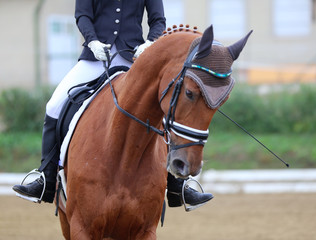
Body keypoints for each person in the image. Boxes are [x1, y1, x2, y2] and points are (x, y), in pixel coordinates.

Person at [13, 0, 213, 209]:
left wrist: (151, 42)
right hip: (95, 58)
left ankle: (176, 186)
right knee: (54, 106)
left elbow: (158, 20)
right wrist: (92, 42)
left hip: (133, 59)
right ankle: (46, 177)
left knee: (162, 113)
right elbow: (83, 15)